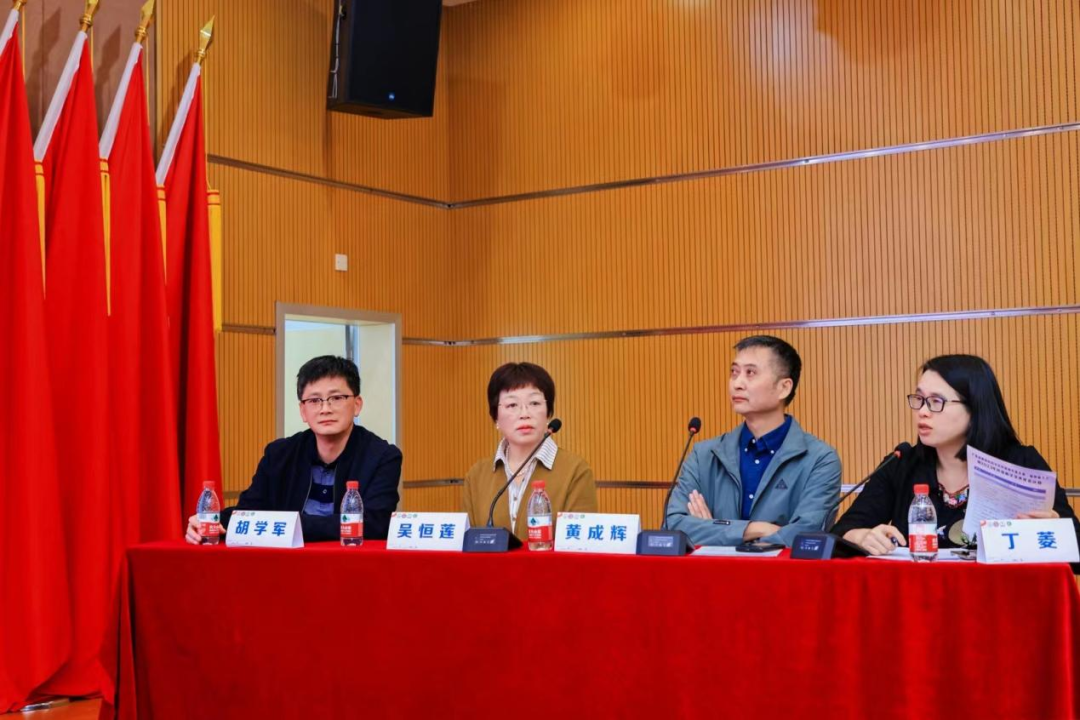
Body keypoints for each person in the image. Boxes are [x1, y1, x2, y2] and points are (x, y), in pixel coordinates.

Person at [832, 354, 1080, 555]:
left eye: (936, 402)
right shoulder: (902, 464)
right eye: (919, 399)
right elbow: (841, 532)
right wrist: (860, 536)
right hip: (919, 597)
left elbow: (1076, 550)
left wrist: (1054, 532)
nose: (922, 412)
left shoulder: (1021, 463)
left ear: (975, 408)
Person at [185, 355, 402, 544]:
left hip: (349, 564)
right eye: (314, 400)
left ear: (357, 404)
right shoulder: (280, 454)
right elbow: (250, 511)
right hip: (285, 565)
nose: (325, 409)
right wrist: (212, 521)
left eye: (336, 398)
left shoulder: (382, 457)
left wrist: (289, 524)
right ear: (303, 411)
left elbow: (375, 523)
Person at [666, 335, 841, 546]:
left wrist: (713, 528)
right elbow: (673, 526)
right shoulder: (703, 455)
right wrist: (755, 529)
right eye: (734, 372)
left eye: (750, 373)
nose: (737, 384)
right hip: (712, 569)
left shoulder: (820, 459)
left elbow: (806, 536)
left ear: (784, 388)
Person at [462, 362, 597, 541]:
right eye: (512, 405)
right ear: (496, 417)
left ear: (548, 413)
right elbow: (467, 545)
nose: (524, 414)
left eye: (534, 403)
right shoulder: (477, 476)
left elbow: (579, 545)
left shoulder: (575, 471)